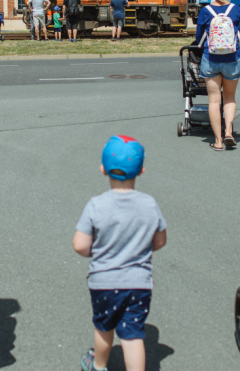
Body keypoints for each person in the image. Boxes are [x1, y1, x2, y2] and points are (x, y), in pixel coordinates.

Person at [74, 135, 167, 371]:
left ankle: (99, 365)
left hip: (104, 282)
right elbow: (160, 240)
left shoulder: (96, 205)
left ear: (103, 170)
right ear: (142, 170)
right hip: (139, 284)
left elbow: (80, 245)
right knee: (133, 335)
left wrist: (98, 251)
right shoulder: (149, 204)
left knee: (104, 329)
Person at [194, 0, 240, 150]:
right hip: (232, 59)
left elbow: (198, 39)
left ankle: (217, 141)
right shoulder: (236, 10)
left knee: (214, 101)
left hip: (211, 60)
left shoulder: (205, 11)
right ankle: (229, 132)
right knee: (230, 97)